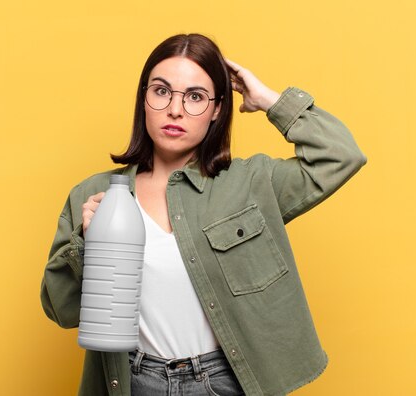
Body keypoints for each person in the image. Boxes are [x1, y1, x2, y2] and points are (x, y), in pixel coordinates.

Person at [41, 33, 367, 396]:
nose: (175, 109)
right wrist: (87, 244)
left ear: (217, 110)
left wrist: (267, 100)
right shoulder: (93, 197)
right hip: (135, 381)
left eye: (195, 97)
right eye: (161, 91)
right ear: (143, 98)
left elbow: (341, 155)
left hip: (224, 381)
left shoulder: (251, 182)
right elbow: (62, 310)